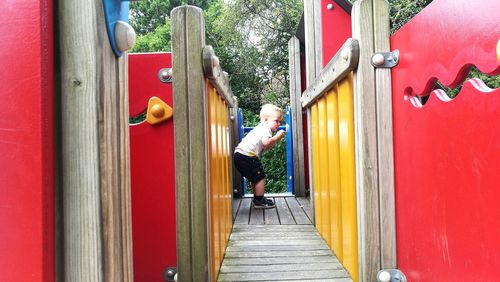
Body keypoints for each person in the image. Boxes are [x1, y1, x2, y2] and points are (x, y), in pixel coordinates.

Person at [233, 104, 286, 209]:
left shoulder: (261, 128)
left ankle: (258, 198)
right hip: (247, 156)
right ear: (266, 120)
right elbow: (266, 143)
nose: (279, 124)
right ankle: (259, 201)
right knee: (260, 177)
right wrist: (278, 136)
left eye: (280, 121)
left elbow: (266, 147)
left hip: (240, 155)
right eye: (276, 121)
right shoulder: (265, 128)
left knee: (256, 178)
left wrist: (275, 139)